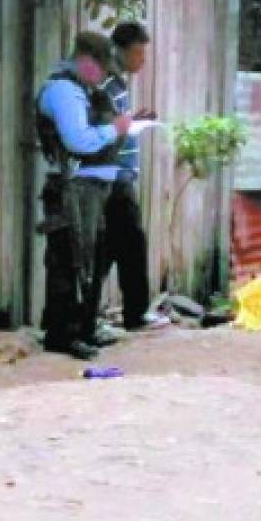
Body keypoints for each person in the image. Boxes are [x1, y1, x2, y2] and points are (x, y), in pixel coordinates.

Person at [36, 32, 131, 359]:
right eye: (103, 69)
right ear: (88, 62)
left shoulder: (79, 89)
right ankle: (62, 334)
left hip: (86, 188)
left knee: (91, 256)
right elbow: (78, 141)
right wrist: (114, 130)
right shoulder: (63, 90)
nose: (104, 77)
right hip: (69, 187)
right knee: (69, 259)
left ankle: (83, 328)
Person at [97, 21, 169, 332]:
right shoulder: (105, 85)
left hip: (118, 176)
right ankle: (135, 314)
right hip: (114, 177)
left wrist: (134, 120)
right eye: (138, 53)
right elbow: (103, 128)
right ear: (120, 51)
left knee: (109, 247)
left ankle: (90, 315)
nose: (142, 60)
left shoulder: (117, 84)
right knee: (130, 245)